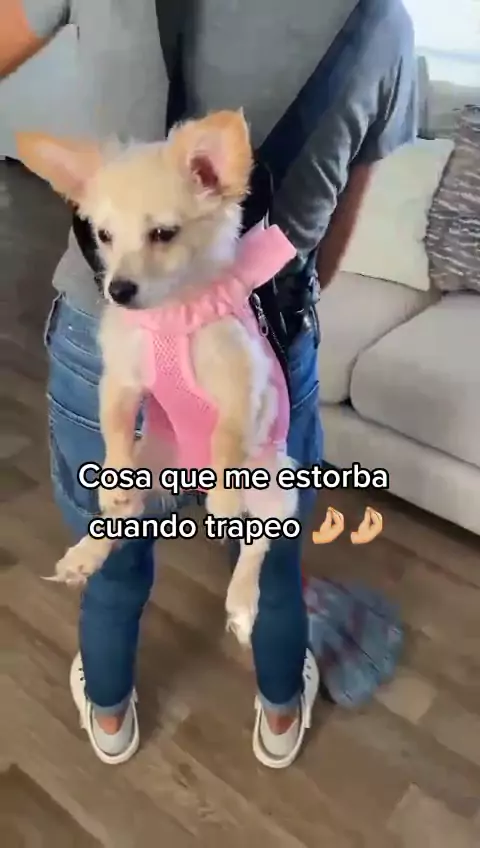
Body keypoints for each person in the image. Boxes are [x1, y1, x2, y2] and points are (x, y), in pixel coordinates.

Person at [1, 0, 417, 768]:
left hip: (107, 336)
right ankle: (281, 714)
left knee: (116, 549)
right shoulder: (383, 23)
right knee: (273, 555)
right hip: (261, 342)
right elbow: (327, 244)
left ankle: (110, 713)